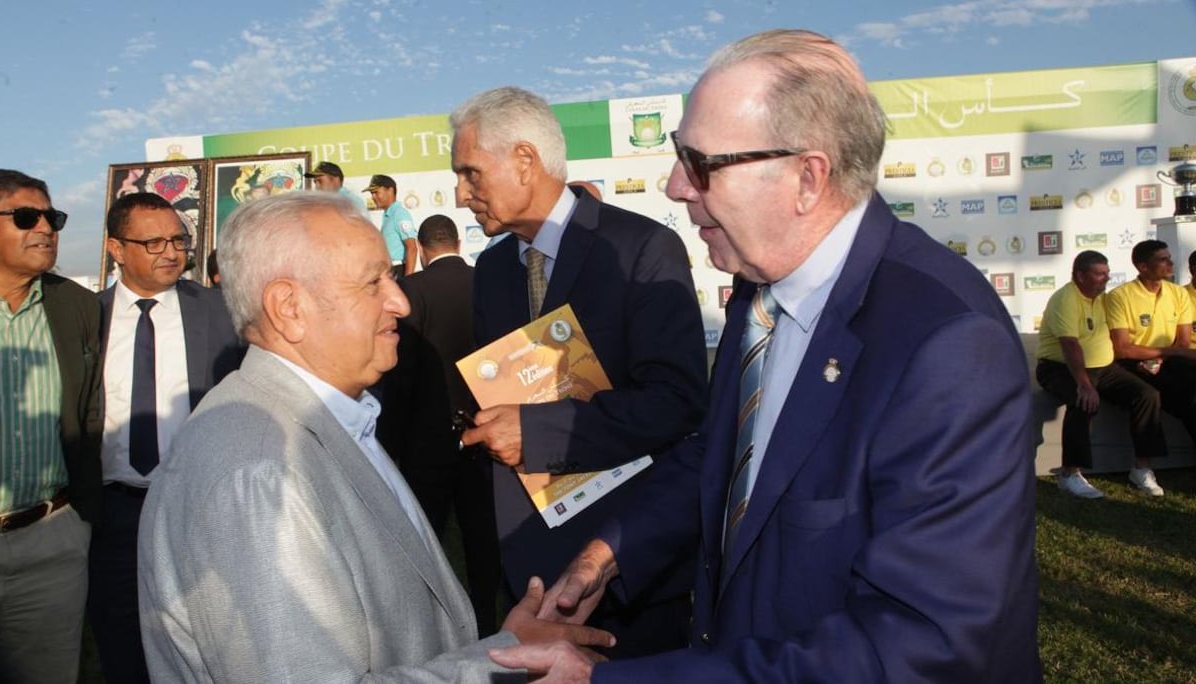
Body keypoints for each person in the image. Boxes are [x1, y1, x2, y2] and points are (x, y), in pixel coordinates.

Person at [489, 29, 1040, 682]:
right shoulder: (759, 283)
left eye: (700, 164)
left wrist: (604, 680)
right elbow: (720, 454)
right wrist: (606, 555)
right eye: (675, 156)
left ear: (807, 178)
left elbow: (921, 642)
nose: (673, 187)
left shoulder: (947, 343)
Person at [137, 191, 612, 682]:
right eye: (373, 283)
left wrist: (506, 652)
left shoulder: (325, 420)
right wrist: (489, 671)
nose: (401, 301)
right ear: (289, 307)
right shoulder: (257, 475)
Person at [450, 86, 708, 658]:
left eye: (471, 173)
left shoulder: (641, 248)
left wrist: (537, 434)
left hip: (625, 571)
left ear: (525, 159)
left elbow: (676, 402)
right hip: (531, 573)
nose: (460, 194)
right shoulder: (490, 270)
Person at [88, 193, 242, 684]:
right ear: (116, 247)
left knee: (211, 635)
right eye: (153, 242)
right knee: (122, 639)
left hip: (196, 505)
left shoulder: (221, 312)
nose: (171, 252)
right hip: (112, 516)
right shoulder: (86, 318)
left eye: (178, 240)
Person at [0, 169, 103, 684]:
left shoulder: (75, 305)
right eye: (25, 217)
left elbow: (90, 411)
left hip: (53, 544)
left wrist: (79, 518)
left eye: (52, 218)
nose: (46, 229)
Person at [377, 213, 500, 635]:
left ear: (424, 249)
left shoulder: (411, 290)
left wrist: (390, 443)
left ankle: (427, 626)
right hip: (487, 434)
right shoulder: (486, 282)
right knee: (482, 538)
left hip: (425, 442)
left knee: (423, 538)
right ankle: (487, 617)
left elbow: (400, 377)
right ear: (457, 244)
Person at [1036, 250, 1165, 499]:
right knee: (1082, 401)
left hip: (1104, 367)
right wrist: (1084, 384)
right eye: (1099, 274)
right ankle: (1070, 473)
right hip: (1058, 367)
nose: (1106, 279)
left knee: (1147, 394)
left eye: (1107, 273)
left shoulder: (1104, 298)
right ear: (1080, 275)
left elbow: (1120, 336)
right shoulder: (1066, 298)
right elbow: (1070, 345)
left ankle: (1142, 468)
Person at [1103, 239, 1196, 496]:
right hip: (1131, 363)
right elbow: (1122, 348)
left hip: (1165, 360)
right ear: (1142, 266)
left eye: (1169, 258)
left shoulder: (1177, 293)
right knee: (1149, 395)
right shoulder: (1119, 297)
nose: (1170, 263)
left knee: (1190, 398)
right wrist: (1166, 354)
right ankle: (1141, 468)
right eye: (1163, 259)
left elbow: (1184, 341)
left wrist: (1162, 357)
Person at [365, 174, 418, 279]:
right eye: (372, 193)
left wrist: (408, 281)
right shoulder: (388, 215)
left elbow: (412, 248)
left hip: (398, 270)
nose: (373, 197)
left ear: (390, 190)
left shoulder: (399, 213)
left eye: (376, 192)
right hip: (390, 271)